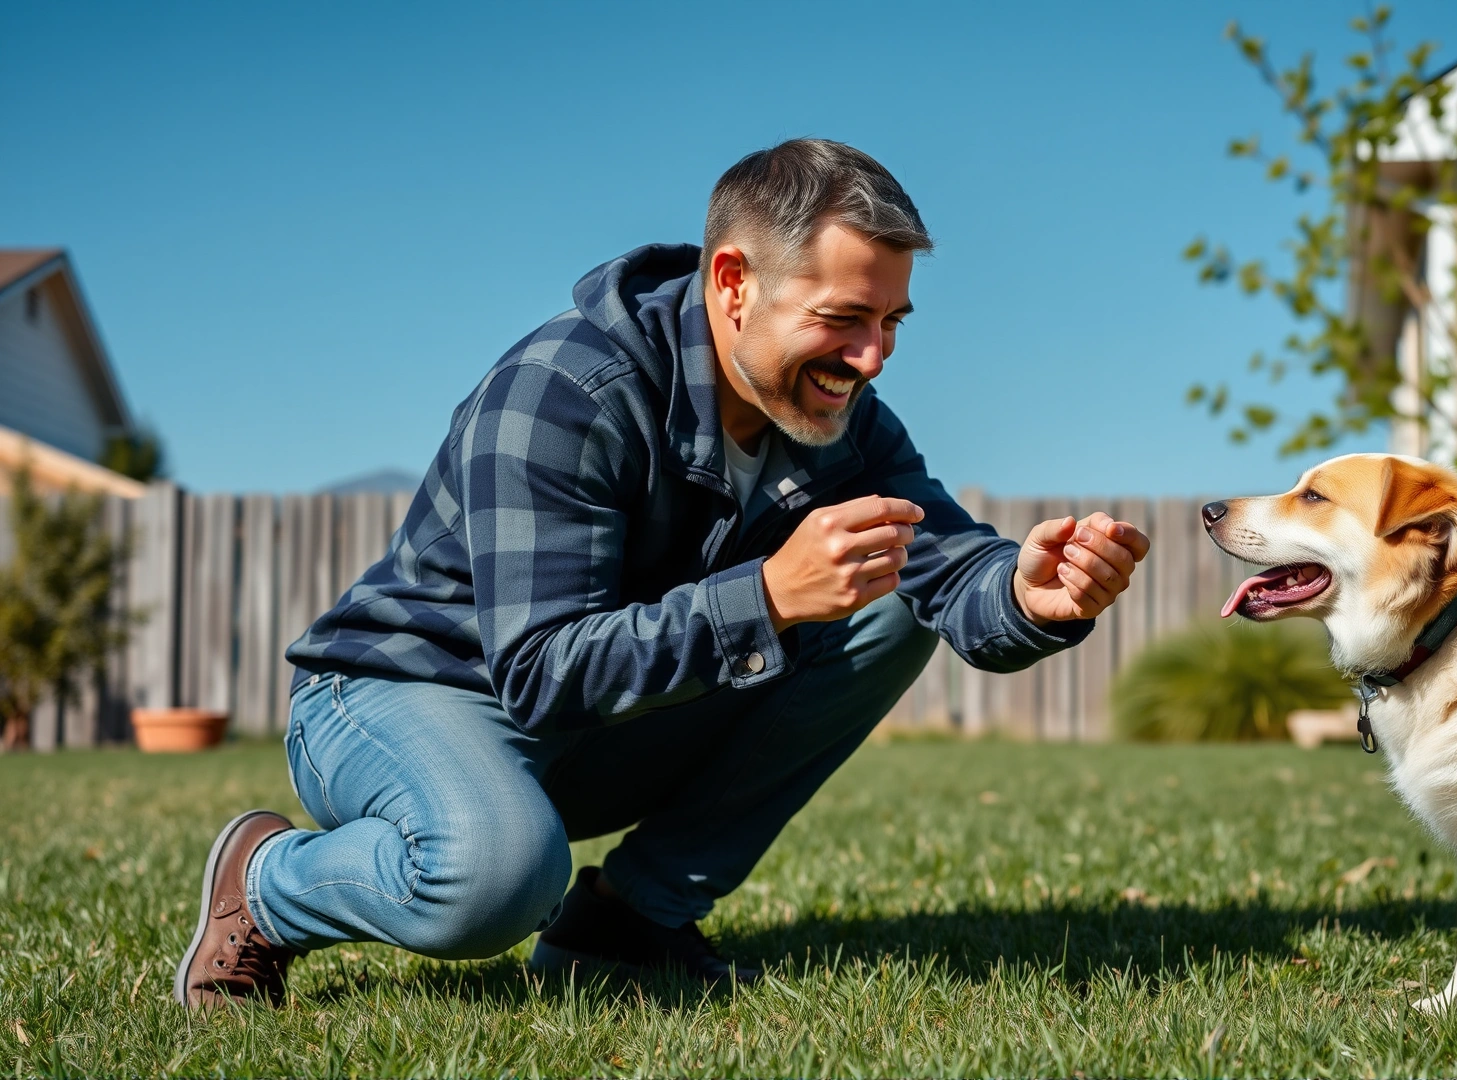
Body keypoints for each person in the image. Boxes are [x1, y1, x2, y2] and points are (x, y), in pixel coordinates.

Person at [174, 139, 1151, 1008]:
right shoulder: (566, 391)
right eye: (847, 318)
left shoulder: (840, 415)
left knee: (888, 585)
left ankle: (627, 923)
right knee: (491, 880)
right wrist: (769, 595)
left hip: (596, 724)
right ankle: (267, 885)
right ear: (734, 282)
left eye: (893, 321)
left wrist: (1026, 593)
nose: (873, 357)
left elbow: (947, 567)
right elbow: (544, 672)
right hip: (408, 695)